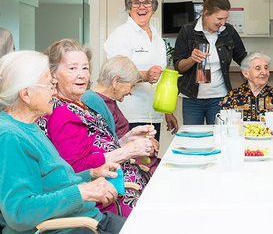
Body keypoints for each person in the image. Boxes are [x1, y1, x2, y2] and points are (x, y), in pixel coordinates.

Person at [0, 50, 126, 233]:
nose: (54, 89)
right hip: (73, 228)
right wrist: (82, 192)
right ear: (26, 94)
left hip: (87, 219)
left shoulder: (28, 124)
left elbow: (51, 183)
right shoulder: (10, 137)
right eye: (49, 84)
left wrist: (91, 174)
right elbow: (19, 213)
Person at [38, 39, 156, 217]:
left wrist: (127, 139)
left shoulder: (76, 103)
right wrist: (127, 152)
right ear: (53, 74)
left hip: (127, 185)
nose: (82, 75)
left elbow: (94, 146)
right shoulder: (62, 113)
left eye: (85, 68)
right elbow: (77, 169)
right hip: (112, 199)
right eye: (72, 68)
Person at [104, 0, 178, 141]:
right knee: (132, 163)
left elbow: (160, 76)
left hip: (153, 114)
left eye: (147, 2)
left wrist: (167, 111)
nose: (141, 7)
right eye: (136, 2)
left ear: (154, 6)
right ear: (129, 7)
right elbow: (117, 74)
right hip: (129, 115)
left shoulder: (157, 38)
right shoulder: (121, 35)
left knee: (149, 162)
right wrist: (145, 75)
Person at [173, 0, 247, 125]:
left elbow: (242, 57)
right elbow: (178, 66)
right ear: (206, 13)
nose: (222, 23)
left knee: (220, 137)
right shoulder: (187, 31)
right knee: (194, 139)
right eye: (219, 19)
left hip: (219, 97)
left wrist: (257, 65)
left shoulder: (228, 31)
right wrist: (191, 59)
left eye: (226, 18)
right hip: (192, 99)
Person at [82, 55, 159, 173]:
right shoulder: (92, 103)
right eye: (131, 86)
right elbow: (103, 150)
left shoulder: (107, 100)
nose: (131, 92)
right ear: (116, 81)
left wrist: (139, 139)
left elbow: (116, 141)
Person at [221, 52, 273, 121]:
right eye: (258, 68)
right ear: (246, 73)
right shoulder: (233, 96)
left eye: (266, 68)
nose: (264, 72)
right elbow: (225, 123)